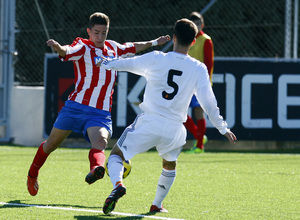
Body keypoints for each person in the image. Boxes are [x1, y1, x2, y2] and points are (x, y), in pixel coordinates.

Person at [97, 18, 237, 214]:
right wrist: (223, 128)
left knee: (116, 155)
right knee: (169, 164)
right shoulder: (199, 68)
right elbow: (209, 103)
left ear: (174, 38)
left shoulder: (157, 58)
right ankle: (156, 204)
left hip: (150, 121)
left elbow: (126, 64)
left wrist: (104, 62)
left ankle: (118, 184)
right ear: (193, 42)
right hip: (175, 129)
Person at [26, 12, 171, 196]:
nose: (100, 37)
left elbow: (132, 47)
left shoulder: (113, 48)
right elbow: (67, 51)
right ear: (89, 31)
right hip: (75, 107)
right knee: (52, 144)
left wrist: (154, 43)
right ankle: (32, 174)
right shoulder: (83, 47)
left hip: (99, 112)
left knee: (101, 140)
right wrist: (58, 47)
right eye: (96, 32)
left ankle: (96, 169)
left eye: (104, 32)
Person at [184, 11, 214, 153]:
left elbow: (209, 63)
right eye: (193, 24)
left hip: (200, 83)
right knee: (180, 112)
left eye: (198, 23)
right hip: (185, 82)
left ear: (202, 25)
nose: (196, 26)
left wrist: (205, 81)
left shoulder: (206, 40)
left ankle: (199, 146)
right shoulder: (186, 39)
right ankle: (198, 136)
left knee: (198, 111)